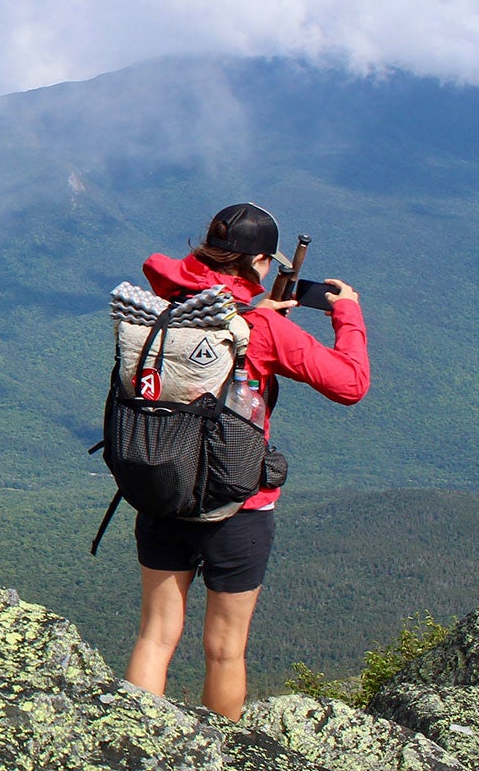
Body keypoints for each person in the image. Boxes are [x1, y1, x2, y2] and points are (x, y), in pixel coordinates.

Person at [123, 203, 370, 720]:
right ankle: (224, 767)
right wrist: (348, 314)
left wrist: (260, 318)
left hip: (161, 488)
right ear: (259, 260)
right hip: (239, 507)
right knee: (224, 649)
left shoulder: (163, 310)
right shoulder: (262, 329)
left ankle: (133, 745)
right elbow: (351, 385)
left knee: (155, 636)